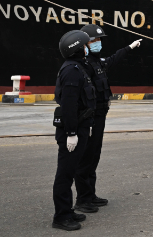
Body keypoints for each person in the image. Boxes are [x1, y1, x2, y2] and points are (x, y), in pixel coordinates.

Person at [74, 24, 141, 212]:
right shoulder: (83, 64)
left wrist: (130, 47)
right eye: (95, 40)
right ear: (85, 43)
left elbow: (112, 60)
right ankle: (82, 199)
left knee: (94, 156)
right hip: (89, 118)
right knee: (86, 158)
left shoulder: (97, 61)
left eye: (99, 40)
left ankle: (91, 194)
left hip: (100, 117)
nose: (99, 43)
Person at [52, 30, 97, 231]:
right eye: (86, 45)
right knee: (65, 174)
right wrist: (71, 133)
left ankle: (68, 211)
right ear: (79, 49)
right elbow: (68, 105)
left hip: (79, 126)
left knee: (69, 172)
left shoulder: (78, 68)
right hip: (72, 129)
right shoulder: (71, 70)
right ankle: (61, 217)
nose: (88, 47)